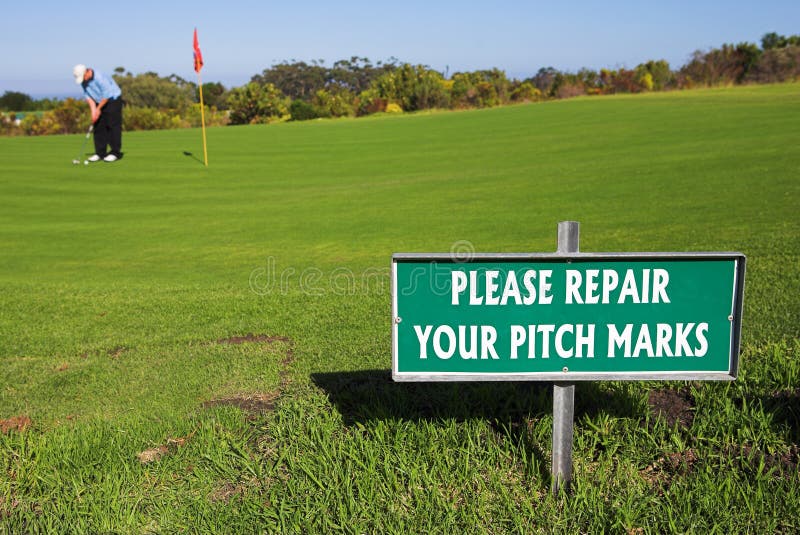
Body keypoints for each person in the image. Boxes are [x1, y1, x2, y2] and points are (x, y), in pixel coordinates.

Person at [73, 64, 123, 162]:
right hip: (98, 101)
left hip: (112, 100)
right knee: (98, 125)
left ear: (87, 72)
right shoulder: (84, 81)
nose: (83, 80)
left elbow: (106, 95)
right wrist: (93, 111)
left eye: (83, 77)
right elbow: (88, 97)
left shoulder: (100, 77)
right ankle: (100, 153)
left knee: (112, 126)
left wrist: (98, 109)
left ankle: (115, 153)